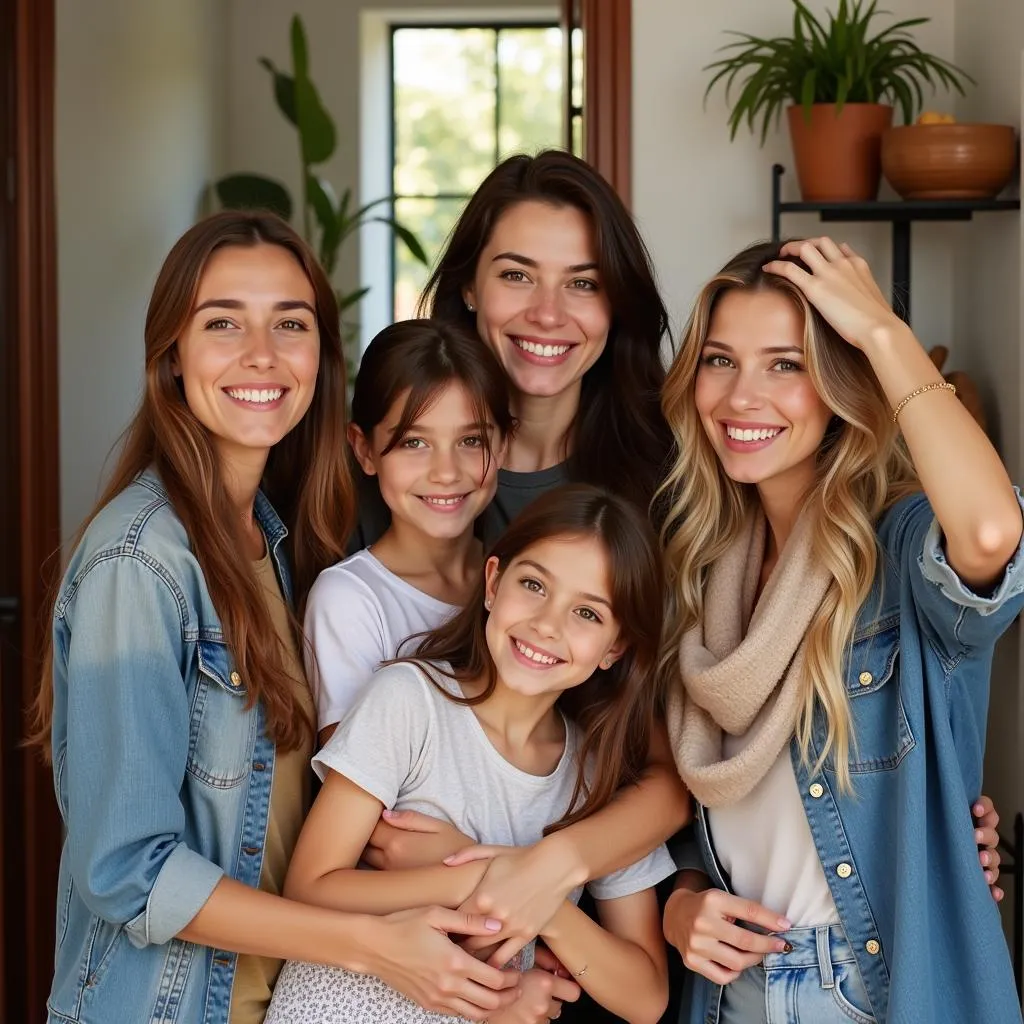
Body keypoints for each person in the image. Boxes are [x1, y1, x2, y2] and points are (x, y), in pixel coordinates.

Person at [31, 211, 522, 1024]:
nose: (261, 354)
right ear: (172, 356)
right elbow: (127, 871)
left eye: (289, 324)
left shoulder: (271, 536)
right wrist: (372, 946)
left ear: (319, 358)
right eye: (223, 322)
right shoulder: (139, 561)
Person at [658, 237, 1024, 1023]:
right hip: (727, 991)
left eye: (786, 365)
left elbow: (994, 535)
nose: (739, 397)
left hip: (875, 990)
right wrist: (683, 900)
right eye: (720, 361)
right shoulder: (700, 565)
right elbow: (719, 801)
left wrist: (883, 333)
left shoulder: (898, 551)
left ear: (841, 384)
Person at [266, 485, 679, 1024]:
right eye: (534, 585)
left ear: (616, 649)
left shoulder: (597, 780)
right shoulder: (410, 699)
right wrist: (477, 881)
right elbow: (310, 889)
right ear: (492, 583)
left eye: (588, 614)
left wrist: (543, 901)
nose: (547, 624)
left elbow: (645, 996)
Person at [355, 148, 674, 549]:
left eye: (583, 283)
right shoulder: (384, 467)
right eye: (517, 275)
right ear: (470, 287)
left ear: (616, 304)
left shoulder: (673, 478)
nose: (548, 314)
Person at [305, 318, 513, 744]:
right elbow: (356, 798)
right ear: (364, 450)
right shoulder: (350, 600)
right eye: (413, 442)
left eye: (471, 441)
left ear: (504, 444)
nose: (446, 472)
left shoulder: (520, 581)